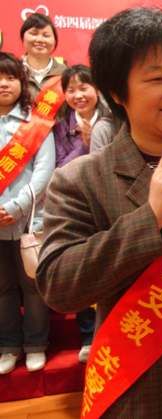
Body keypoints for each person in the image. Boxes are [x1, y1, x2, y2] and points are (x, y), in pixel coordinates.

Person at [36, 8, 162, 416]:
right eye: (156, 79)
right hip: (142, 384)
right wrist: (149, 219)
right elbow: (59, 285)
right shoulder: (80, 179)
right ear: (117, 92)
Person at [0, 52, 55, 375]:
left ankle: (36, 345)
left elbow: (44, 172)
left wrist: (15, 207)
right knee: (2, 289)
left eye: (10, 77)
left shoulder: (36, 124)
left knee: (33, 287)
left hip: (29, 221)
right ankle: (8, 346)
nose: (3, 84)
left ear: (22, 82)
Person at [52, 64, 108, 361]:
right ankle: (88, 336)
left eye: (84, 87)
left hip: (107, 201)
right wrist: (84, 145)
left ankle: (107, 331)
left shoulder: (112, 119)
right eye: (71, 90)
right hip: (77, 204)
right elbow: (60, 165)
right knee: (85, 266)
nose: (78, 95)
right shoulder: (61, 124)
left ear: (96, 89)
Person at [20, 13, 66, 98]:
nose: (40, 40)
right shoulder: (13, 71)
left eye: (46, 35)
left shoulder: (65, 73)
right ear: (23, 37)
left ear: (55, 41)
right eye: (34, 34)